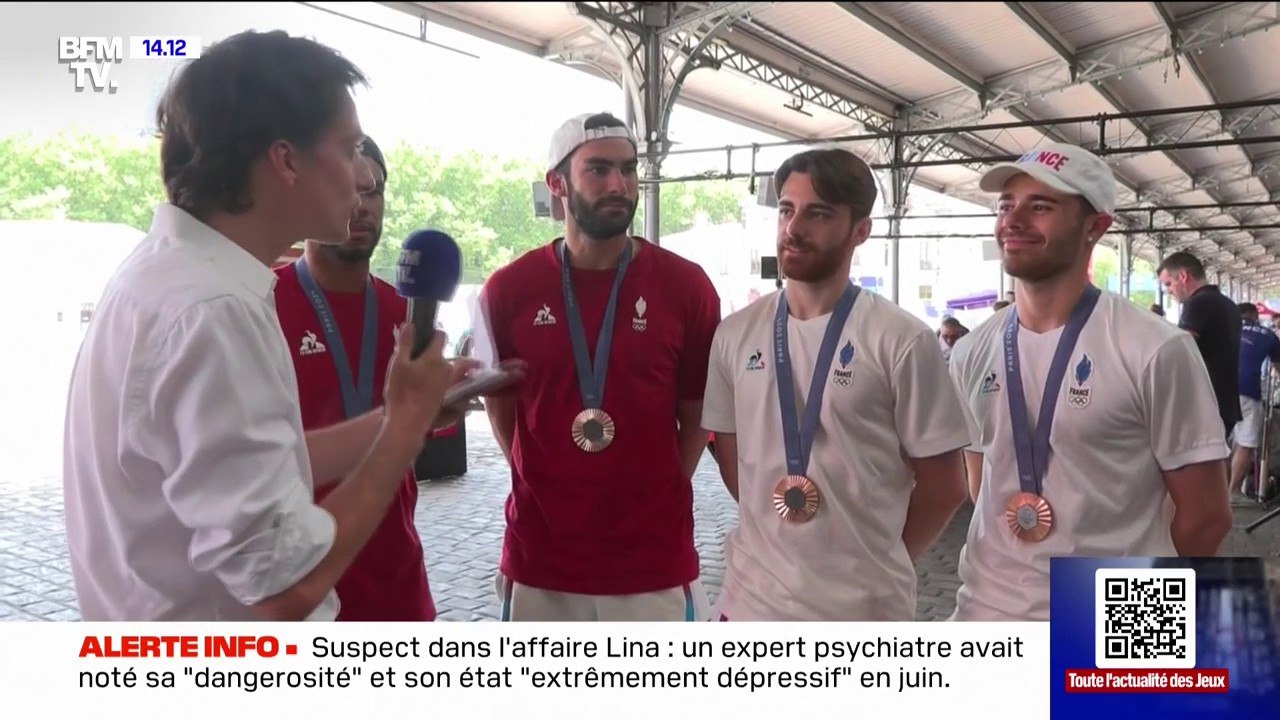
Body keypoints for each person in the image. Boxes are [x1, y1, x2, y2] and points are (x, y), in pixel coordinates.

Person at [62, 31, 462, 621]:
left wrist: (404, 413)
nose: (361, 179)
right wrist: (403, 427)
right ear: (286, 160)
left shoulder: (172, 276)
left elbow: (261, 467)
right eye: (349, 148)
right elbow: (284, 588)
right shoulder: (212, 308)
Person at [948, 142, 1233, 621]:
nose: (1013, 221)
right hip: (985, 611)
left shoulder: (1154, 348)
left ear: (1095, 227)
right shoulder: (973, 350)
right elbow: (983, 487)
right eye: (1006, 206)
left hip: (1113, 623)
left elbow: (1207, 517)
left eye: (1040, 206)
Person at [700, 148, 970, 621]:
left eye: (818, 213)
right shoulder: (736, 333)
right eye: (787, 209)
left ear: (860, 230)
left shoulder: (900, 339)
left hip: (862, 612)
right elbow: (730, 452)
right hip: (750, 605)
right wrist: (782, 531)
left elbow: (946, 483)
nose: (794, 228)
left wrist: (880, 557)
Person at [479, 112, 722, 621]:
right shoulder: (509, 290)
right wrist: (540, 476)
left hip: (651, 563)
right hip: (540, 558)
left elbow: (699, 407)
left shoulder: (686, 287)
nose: (619, 184)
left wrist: (662, 487)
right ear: (557, 183)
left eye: (629, 169)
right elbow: (499, 402)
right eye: (599, 170)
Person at [273, 136, 446, 620]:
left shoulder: (407, 316)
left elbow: (415, 437)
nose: (361, 205)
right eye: (347, 188)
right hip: (299, 590)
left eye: (374, 192)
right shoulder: (260, 307)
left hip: (399, 590)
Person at [1157, 251, 1242, 441]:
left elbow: (1179, 351)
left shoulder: (1198, 303)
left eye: (1169, 283)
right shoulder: (1228, 305)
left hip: (1204, 404)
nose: (1168, 291)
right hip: (1225, 402)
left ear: (1183, 276)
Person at [1231, 302, 1280, 497]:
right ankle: (1232, 492)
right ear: (1255, 316)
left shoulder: (1224, 327)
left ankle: (1213, 490)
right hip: (1248, 391)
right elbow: (1278, 367)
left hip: (1215, 388)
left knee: (1216, 442)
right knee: (1247, 442)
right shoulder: (1267, 334)